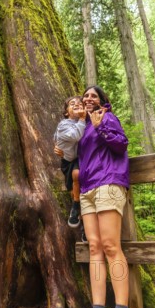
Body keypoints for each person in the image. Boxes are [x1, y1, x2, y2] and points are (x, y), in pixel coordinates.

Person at [64, 86, 135, 308]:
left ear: (103, 101)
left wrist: (101, 124)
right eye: (86, 96)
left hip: (109, 182)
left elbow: (120, 145)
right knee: (94, 247)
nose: (88, 99)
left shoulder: (107, 118)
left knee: (110, 246)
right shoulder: (82, 128)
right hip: (87, 190)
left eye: (94, 95)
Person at [54, 96, 86, 227]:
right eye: (72, 104)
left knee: (79, 178)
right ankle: (76, 206)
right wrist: (82, 119)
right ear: (67, 112)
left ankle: (78, 210)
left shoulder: (86, 122)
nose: (77, 105)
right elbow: (75, 136)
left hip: (81, 159)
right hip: (68, 161)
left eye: (80, 103)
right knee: (74, 189)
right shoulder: (64, 124)